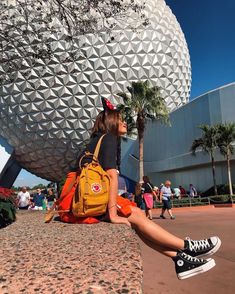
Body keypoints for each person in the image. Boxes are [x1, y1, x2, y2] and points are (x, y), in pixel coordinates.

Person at [70, 99, 221, 280]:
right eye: (120, 119)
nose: (125, 122)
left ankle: (179, 259)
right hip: (91, 204)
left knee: (138, 216)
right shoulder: (108, 138)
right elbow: (111, 177)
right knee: (135, 215)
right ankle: (187, 246)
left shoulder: (95, 141)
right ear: (111, 121)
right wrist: (113, 215)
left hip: (82, 201)